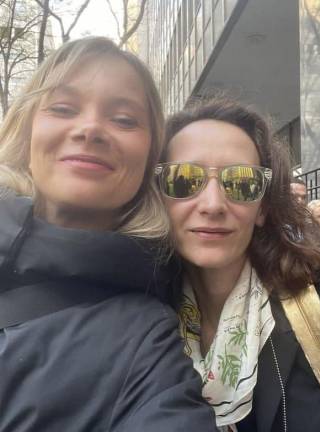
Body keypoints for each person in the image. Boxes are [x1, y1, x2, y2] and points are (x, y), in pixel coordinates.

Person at [0, 37, 218, 431]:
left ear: (150, 161)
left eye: (124, 120)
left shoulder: (147, 337)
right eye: (63, 108)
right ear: (26, 130)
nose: (90, 129)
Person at [156, 94, 320, 432]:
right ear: (158, 198)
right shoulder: (135, 325)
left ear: (262, 208)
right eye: (184, 179)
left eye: (241, 182)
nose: (213, 204)